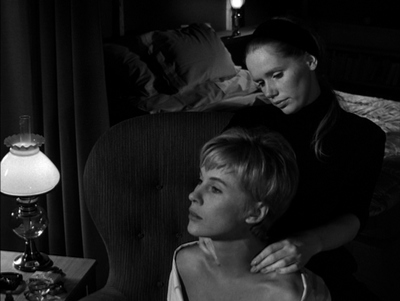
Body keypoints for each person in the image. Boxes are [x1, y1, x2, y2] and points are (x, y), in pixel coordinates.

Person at [225, 17, 386, 300]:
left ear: (310, 61)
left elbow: (354, 216)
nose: (270, 92)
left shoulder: (363, 135)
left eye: (277, 74)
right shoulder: (248, 123)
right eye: (260, 82)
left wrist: (309, 243)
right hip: (249, 263)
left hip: (321, 263)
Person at [167, 127, 331, 301]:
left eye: (215, 189)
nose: (193, 195)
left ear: (255, 213)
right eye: (201, 181)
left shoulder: (290, 294)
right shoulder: (185, 262)